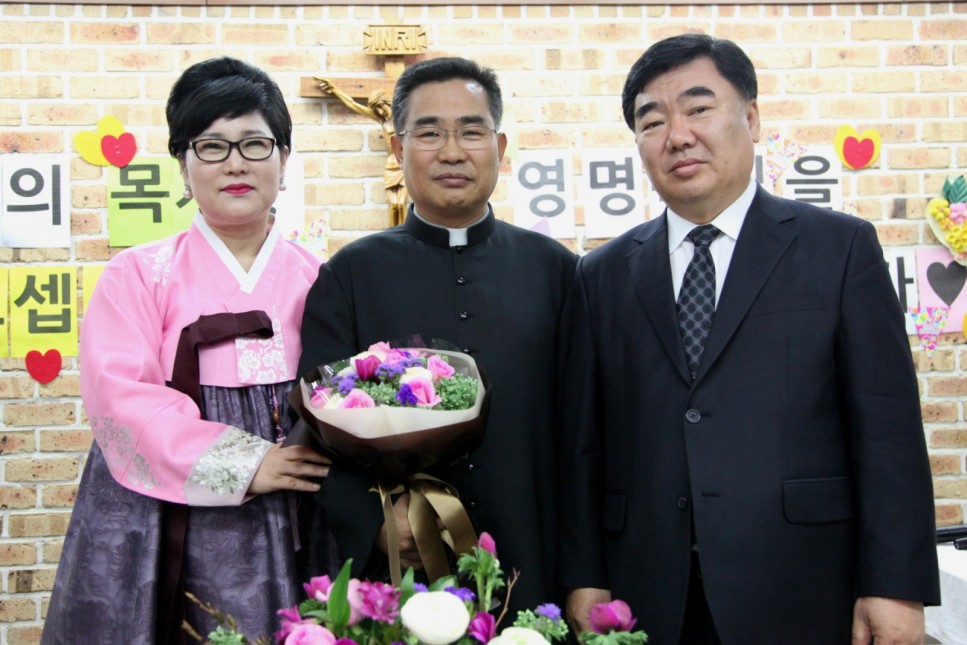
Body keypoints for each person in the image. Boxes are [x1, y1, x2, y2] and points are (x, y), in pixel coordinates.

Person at [558, 34, 940, 644]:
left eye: (699, 108)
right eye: (651, 121)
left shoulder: (840, 249)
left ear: (752, 118)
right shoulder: (601, 274)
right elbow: (583, 447)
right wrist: (584, 577)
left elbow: (887, 433)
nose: (677, 135)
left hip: (804, 587)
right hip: (647, 594)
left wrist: (895, 586)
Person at [43, 57, 332, 644]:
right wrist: (247, 463)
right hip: (161, 510)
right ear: (182, 163)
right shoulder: (136, 275)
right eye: (211, 146)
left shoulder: (324, 278)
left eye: (255, 143)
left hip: (304, 499)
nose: (235, 163)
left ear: (284, 159)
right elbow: (121, 400)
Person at [297, 57, 577, 614]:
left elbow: (587, 429)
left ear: (499, 148)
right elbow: (319, 423)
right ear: (398, 150)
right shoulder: (351, 274)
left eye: (471, 131)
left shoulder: (557, 271)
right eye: (429, 133)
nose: (452, 152)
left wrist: (584, 571)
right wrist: (375, 521)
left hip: (536, 549)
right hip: (402, 568)